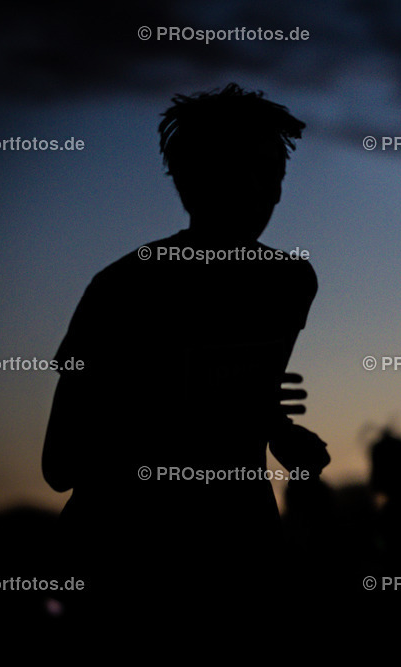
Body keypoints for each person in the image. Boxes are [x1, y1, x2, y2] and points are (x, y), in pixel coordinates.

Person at [41, 84, 329, 615]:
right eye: (233, 168)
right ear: (189, 178)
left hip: (243, 568)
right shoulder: (122, 290)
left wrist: (281, 433)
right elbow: (61, 464)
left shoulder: (290, 283)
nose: (258, 189)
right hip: (124, 571)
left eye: (271, 173)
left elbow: (245, 397)